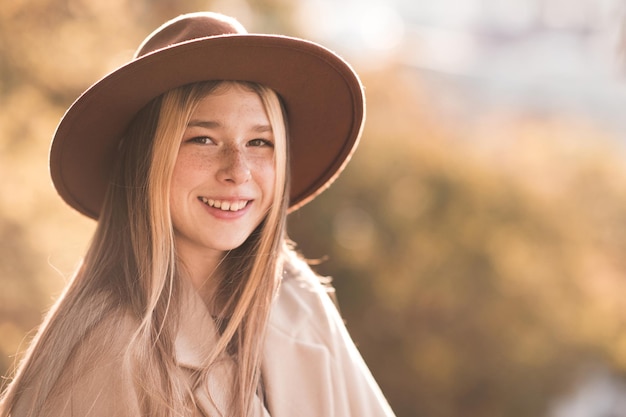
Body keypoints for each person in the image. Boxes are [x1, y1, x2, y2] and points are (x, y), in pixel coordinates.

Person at [0, 11, 395, 417]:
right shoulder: (106, 354)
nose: (237, 171)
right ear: (147, 161)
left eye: (260, 142)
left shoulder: (297, 298)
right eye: (203, 139)